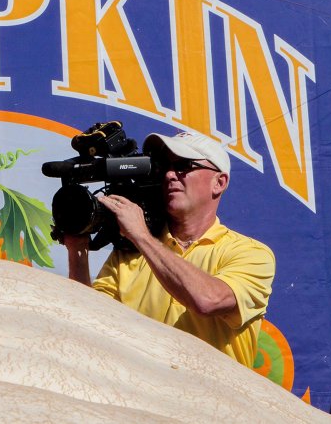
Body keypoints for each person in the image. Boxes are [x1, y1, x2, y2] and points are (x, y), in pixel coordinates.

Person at [64, 131, 275, 368]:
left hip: (215, 403)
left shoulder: (250, 252)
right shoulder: (129, 253)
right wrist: (77, 250)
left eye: (184, 166)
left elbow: (208, 300)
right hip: (144, 400)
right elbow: (89, 322)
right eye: (164, 166)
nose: (170, 175)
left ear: (219, 182)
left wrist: (141, 235)